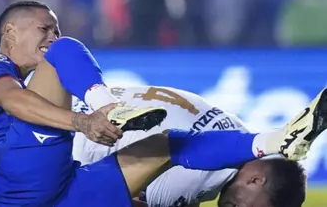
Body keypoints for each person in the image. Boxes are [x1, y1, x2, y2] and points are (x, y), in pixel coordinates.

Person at [0, 32, 327, 207]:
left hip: (41, 120)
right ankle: (274, 138)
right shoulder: (197, 179)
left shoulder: (228, 126)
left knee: (62, 49)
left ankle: (271, 139)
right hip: (55, 162)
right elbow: (135, 185)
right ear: (256, 181)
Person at [0, 1, 166, 207]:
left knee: (170, 146)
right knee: (64, 48)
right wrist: (82, 122)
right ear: (10, 32)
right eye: (44, 29)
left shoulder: (22, 84)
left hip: (45, 191)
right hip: (4, 190)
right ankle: (110, 107)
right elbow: (13, 100)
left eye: (56, 32)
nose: (53, 38)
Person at [72, 86, 309, 207]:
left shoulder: (235, 134)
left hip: (75, 110)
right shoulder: (199, 175)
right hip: (67, 148)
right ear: (256, 180)